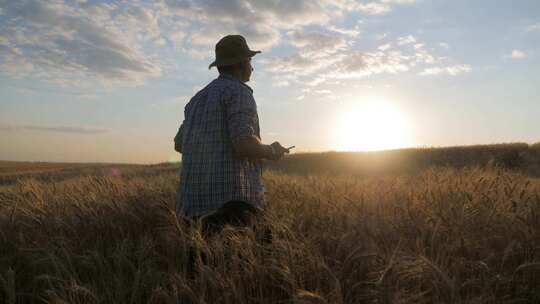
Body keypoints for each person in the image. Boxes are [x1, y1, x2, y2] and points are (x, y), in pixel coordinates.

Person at [173, 34, 292, 237]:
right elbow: (243, 143)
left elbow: (179, 144)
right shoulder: (239, 92)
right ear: (241, 63)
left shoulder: (197, 99)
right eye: (250, 60)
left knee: (201, 267)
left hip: (190, 209)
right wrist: (272, 150)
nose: (252, 67)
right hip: (230, 208)